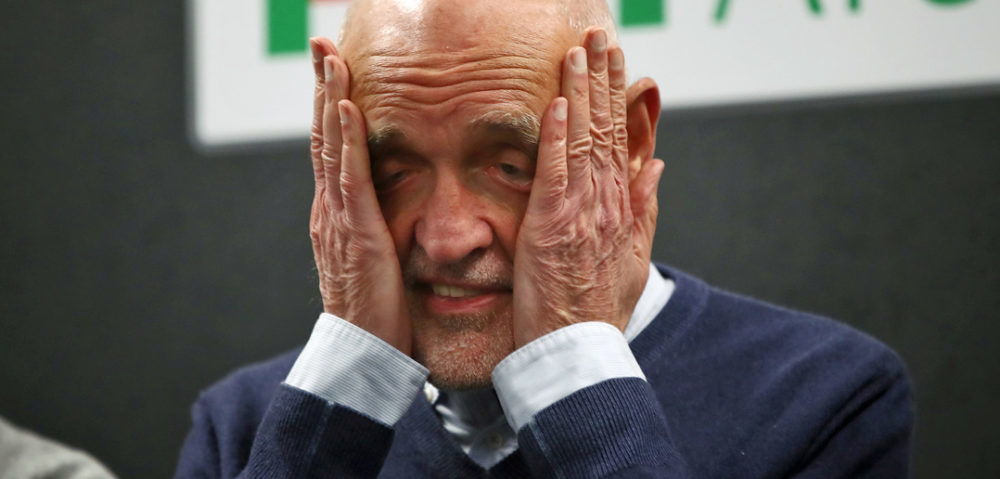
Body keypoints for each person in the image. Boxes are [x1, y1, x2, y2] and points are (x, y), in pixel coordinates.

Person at [174, 0, 914, 477]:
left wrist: (573, 365)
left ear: (625, 140)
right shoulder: (251, 426)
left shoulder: (824, 398)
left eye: (510, 165)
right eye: (393, 170)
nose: (447, 236)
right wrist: (343, 391)